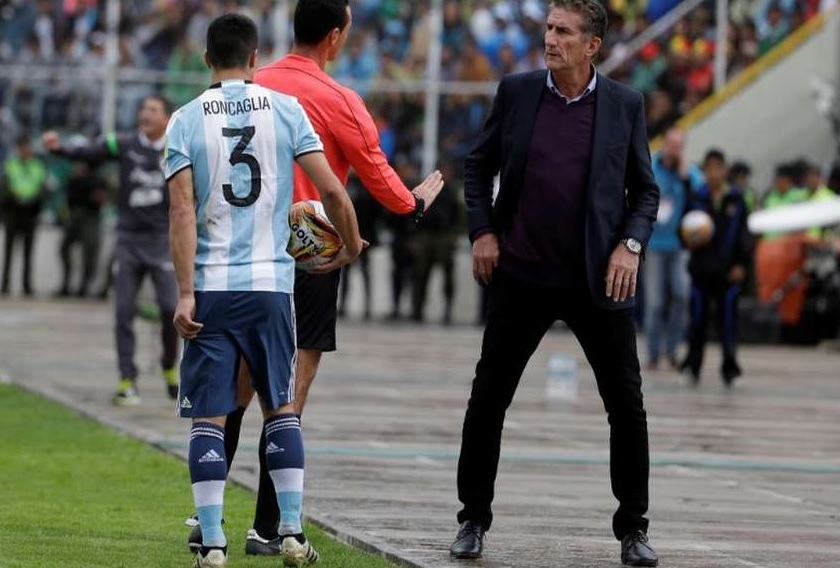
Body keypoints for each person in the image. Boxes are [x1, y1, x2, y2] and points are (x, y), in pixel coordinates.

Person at [188, 0, 444, 556]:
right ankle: (269, 528)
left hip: (243, 252)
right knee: (288, 395)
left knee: (233, 387)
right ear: (335, 36)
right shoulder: (337, 99)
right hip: (309, 253)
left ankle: (205, 519)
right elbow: (376, 178)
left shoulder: (253, 83)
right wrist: (414, 204)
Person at [449, 1, 660, 565]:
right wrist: (483, 231)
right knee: (488, 399)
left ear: (592, 45)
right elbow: (477, 166)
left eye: (563, 31)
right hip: (522, 273)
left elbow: (645, 192)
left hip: (597, 280)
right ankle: (472, 519)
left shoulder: (625, 104)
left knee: (627, 406)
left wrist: (631, 244)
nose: (550, 39)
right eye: (548, 28)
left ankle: (634, 528)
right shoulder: (517, 93)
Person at [165, 14, 364, 568]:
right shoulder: (286, 110)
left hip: (212, 286)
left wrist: (184, 294)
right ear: (255, 59)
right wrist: (349, 245)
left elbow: (181, 211)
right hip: (272, 286)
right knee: (281, 406)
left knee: (210, 415)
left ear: (207, 59)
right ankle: (291, 533)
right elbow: (332, 190)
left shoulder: (184, 120)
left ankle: (212, 542)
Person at [42, 95, 180, 406]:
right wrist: (59, 148)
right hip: (128, 240)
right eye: (143, 108)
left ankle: (170, 368)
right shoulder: (125, 143)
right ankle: (127, 380)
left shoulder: (177, 147)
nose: (145, 114)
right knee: (123, 310)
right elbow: (89, 151)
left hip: (161, 240)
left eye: (153, 110)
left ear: (167, 118)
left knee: (170, 308)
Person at [679, 149, 752, 386]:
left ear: (724, 170)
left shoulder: (736, 199)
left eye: (718, 168)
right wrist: (688, 240)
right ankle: (692, 367)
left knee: (728, 322)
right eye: (709, 168)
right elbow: (683, 229)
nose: (713, 173)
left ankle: (730, 369)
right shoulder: (696, 197)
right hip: (701, 270)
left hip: (727, 273)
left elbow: (744, 235)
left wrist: (741, 264)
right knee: (697, 320)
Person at [645, 127, 704, 370]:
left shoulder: (689, 172)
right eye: (671, 144)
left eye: (679, 145)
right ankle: (653, 353)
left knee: (681, 296)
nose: (674, 149)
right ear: (664, 143)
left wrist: (685, 176)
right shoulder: (650, 165)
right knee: (655, 302)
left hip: (680, 246)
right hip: (654, 244)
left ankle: (672, 349)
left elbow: (701, 197)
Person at [1, 135, 47, 297]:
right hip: (13, 211)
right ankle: (5, 284)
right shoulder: (10, 165)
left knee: (28, 251)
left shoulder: (37, 166)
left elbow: (42, 188)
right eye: (23, 148)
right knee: (9, 251)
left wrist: (38, 204)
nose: (25, 151)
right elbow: (4, 187)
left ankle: (26, 285)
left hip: (30, 213)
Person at [55, 161, 105, 298]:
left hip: (90, 217)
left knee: (90, 251)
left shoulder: (96, 178)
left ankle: (84, 286)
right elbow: (68, 198)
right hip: (75, 215)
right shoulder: (73, 179)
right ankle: (65, 284)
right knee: (64, 248)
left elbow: (100, 197)